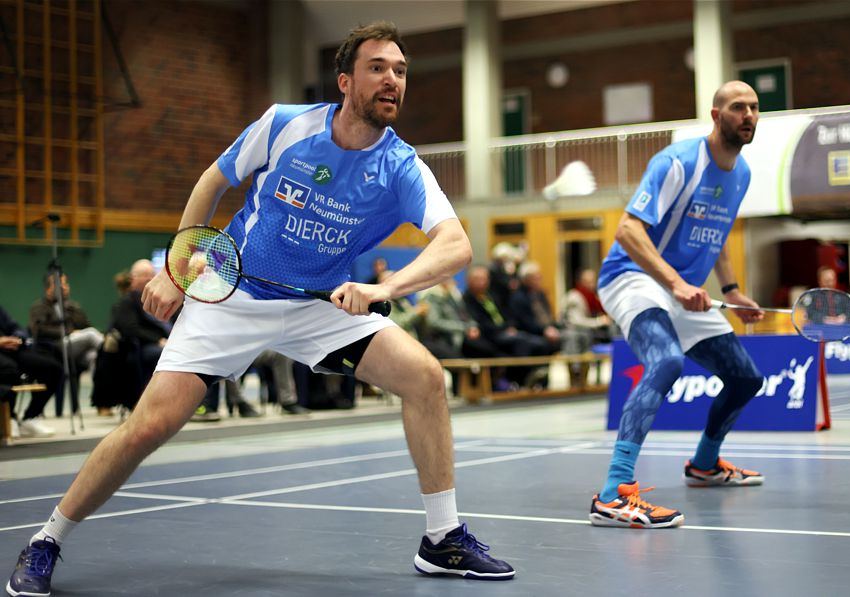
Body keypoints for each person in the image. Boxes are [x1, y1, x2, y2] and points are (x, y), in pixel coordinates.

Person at [6, 22, 512, 597]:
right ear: (346, 81)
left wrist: (384, 288)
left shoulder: (401, 167)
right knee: (149, 426)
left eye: (400, 70)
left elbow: (456, 245)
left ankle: (442, 539)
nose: (392, 80)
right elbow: (213, 180)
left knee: (425, 378)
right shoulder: (284, 124)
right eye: (378, 68)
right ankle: (46, 539)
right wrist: (179, 267)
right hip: (233, 295)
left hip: (316, 306)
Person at [589, 81, 766, 529]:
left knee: (746, 379)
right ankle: (614, 493)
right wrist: (674, 282)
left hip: (683, 288)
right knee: (666, 362)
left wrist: (731, 291)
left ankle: (704, 465)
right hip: (632, 277)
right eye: (737, 107)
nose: (748, 115)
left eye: (754, 108)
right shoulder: (677, 162)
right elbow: (628, 231)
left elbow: (718, 236)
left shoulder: (741, 173)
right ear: (716, 115)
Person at [29, 272, 105, 416]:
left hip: (76, 349)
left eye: (66, 283)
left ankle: (101, 399)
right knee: (91, 335)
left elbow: (86, 324)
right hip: (54, 347)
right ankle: (111, 352)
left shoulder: (72, 306)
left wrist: (72, 312)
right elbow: (39, 330)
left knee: (95, 356)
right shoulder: (39, 307)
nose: (64, 287)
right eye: (60, 284)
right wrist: (69, 332)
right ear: (49, 288)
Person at [0, 304, 63, 438]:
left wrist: (17, 338)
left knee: (53, 368)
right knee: (9, 370)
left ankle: (30, 417)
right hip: (3, 356)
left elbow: (15, 327)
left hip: (12, 349)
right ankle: (9, 418)